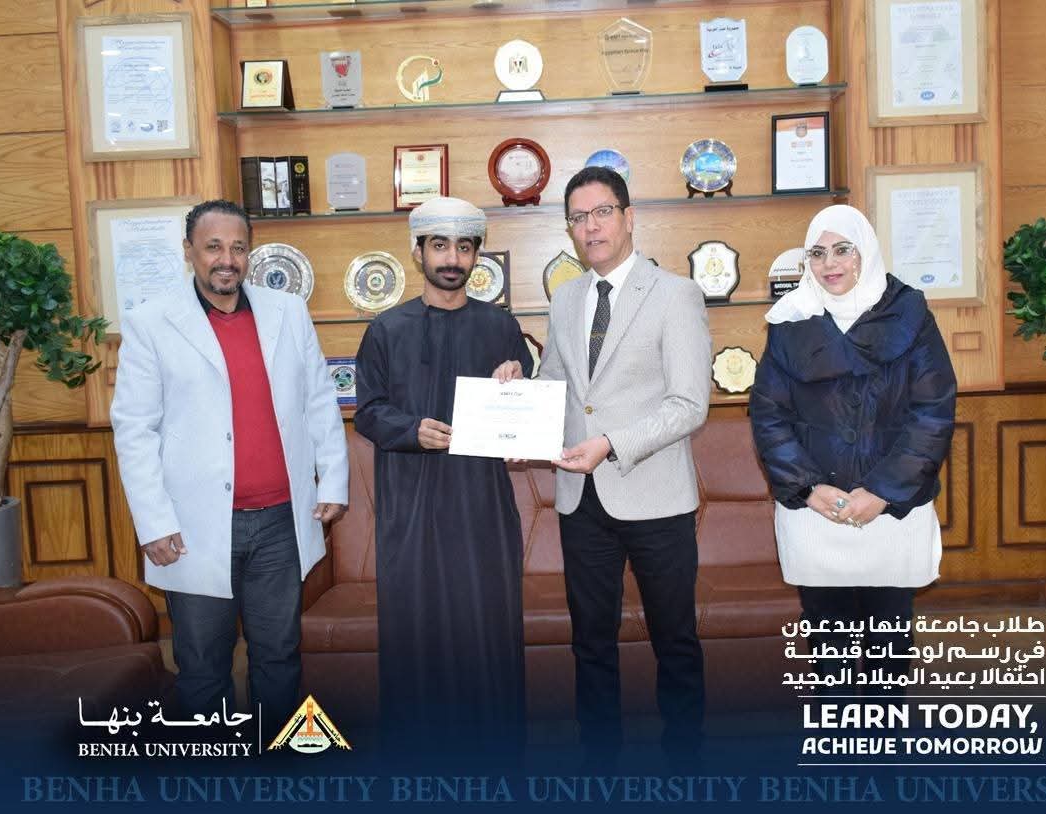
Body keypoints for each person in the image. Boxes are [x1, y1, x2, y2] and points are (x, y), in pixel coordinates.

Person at [111, 199, 348, 728]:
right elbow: (134, 430)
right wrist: (153, 522)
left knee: (279, 657)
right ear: (189, 251)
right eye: (213, 247)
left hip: (281, 522)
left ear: (249, 253)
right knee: (202, 667)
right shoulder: (151, 322)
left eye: (238, 248)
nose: (227, 259)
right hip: (192, 527)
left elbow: (318, 401)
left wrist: (332, 479)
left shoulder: (287, 312)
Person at [533, 166, 712, 763]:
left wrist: (611, 442)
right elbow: (557, 385)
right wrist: (517, 402)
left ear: (629, 217)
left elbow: (689, 405)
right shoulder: (565, 298)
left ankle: (685, 764)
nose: (591, 227)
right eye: (578, 217)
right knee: (590, 643)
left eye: (602, 212)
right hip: (580, 501)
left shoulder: (675, 294)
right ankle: (600, 767)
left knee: (675, 641)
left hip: (655, 495)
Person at [351, 196, 532, 758]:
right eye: (440, 246)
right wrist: (410, 430)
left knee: (488, 622)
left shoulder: (501, 325)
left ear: (477, 255)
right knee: (416, 624)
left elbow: (525, 410)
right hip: (410, 505)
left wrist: (518, 377)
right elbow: (368, 411)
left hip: (481, 504)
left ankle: (497, 751)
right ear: (418, 252)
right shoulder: (386, 329)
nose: (453, 258)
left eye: (464, 247)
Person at [749, 204, 956, 693]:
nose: (830, 263)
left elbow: (932, 413)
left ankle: (883, 736)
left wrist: (882, 491)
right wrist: (808, 488)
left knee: (889, 646)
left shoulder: (910, 314)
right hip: (816, 511)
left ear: (866, 252)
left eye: (843, 249)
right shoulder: (791, 319)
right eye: (817, 253)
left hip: (891, 511)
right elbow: (769, 416)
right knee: (830, 649)